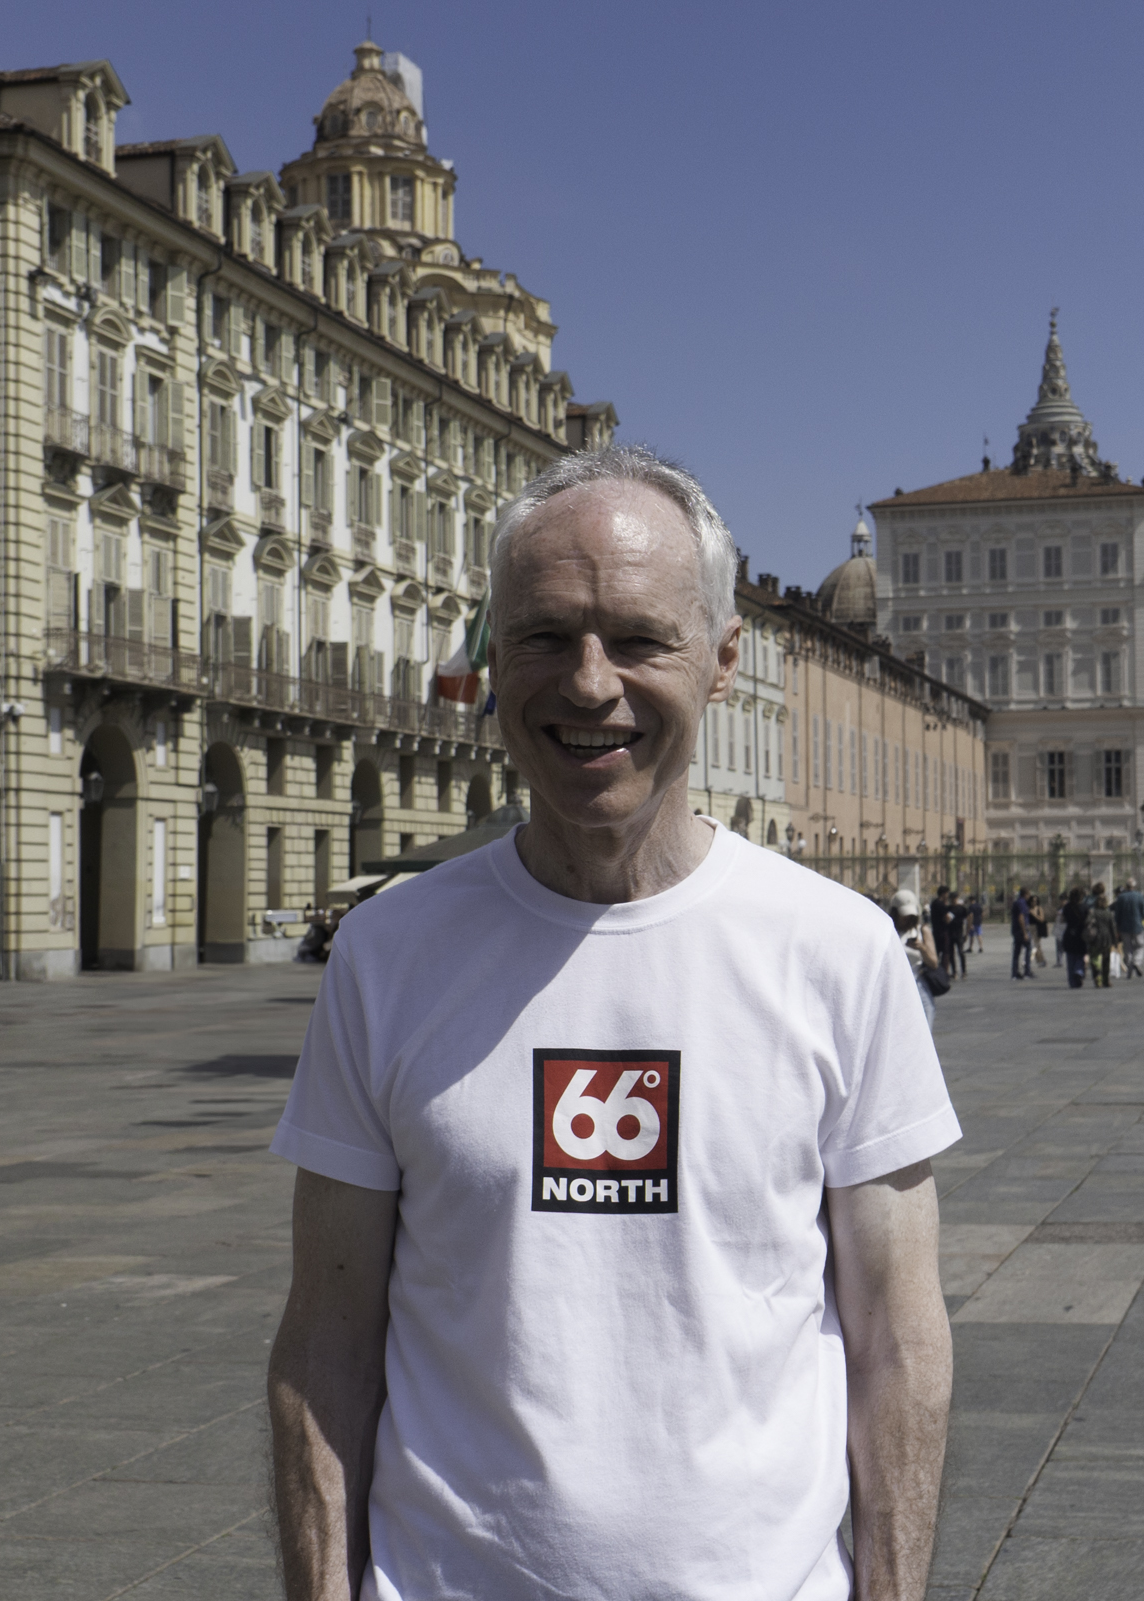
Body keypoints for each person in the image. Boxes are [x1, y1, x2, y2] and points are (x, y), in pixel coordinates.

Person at [267, 445, 960, 1600]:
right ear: (492, 658)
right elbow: (324, 1342)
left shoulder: (838, 952)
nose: (590, 683)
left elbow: (898, 1343)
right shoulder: (386, 955)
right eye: (544, 635)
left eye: (639, 638)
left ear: (724, 660)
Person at [894, 887, 942, 1023]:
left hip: (918, 984)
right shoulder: (889, 931)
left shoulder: (922, 930)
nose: (907, 918)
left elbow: (933, 962)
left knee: (924, 1026)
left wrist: (921, 947)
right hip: (896, 986)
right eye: (903, 915)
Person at [1114, 879, 1144, 977]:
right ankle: (1136, 962)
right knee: (1140, 946)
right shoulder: (1139, 896)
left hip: (1124, 927)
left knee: (1127, 948)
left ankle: (1129, 967)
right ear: (1134, 886)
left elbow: (1117, 915)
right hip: (1137, 926)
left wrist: (1117, 928)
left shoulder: (1120, 898)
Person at [1058, 886, 1090, 989]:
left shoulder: (1067, 907)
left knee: (1070, 958)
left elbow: (1062, 920)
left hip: (1069, 934)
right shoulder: (1085, 907)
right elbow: (1089, 921)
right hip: (1081, 935)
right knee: (1081, 956)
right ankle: (1079, 971)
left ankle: (1072, 981)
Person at [1087, 884, 1117, 988]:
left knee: (1095, 958)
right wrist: (1115, 941)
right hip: (1106, 938)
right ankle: (1105, 980)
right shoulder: (1109, 914)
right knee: (1106, 960)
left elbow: (1087, 923)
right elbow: (1112, 928)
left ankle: (1097, 977)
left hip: (1095, 938)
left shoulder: (1093, 912)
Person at [1010, 884, 1035, 980]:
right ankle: (1027, 972)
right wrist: (1024, 932)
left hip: (1016, 930)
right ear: (1025, 894)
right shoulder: (1022, 903)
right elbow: (1021, 917)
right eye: (1028, 895)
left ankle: (1015, 973)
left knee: (1017, 952)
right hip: (1022, 930)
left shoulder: (1017, 902)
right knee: (1028, 950)